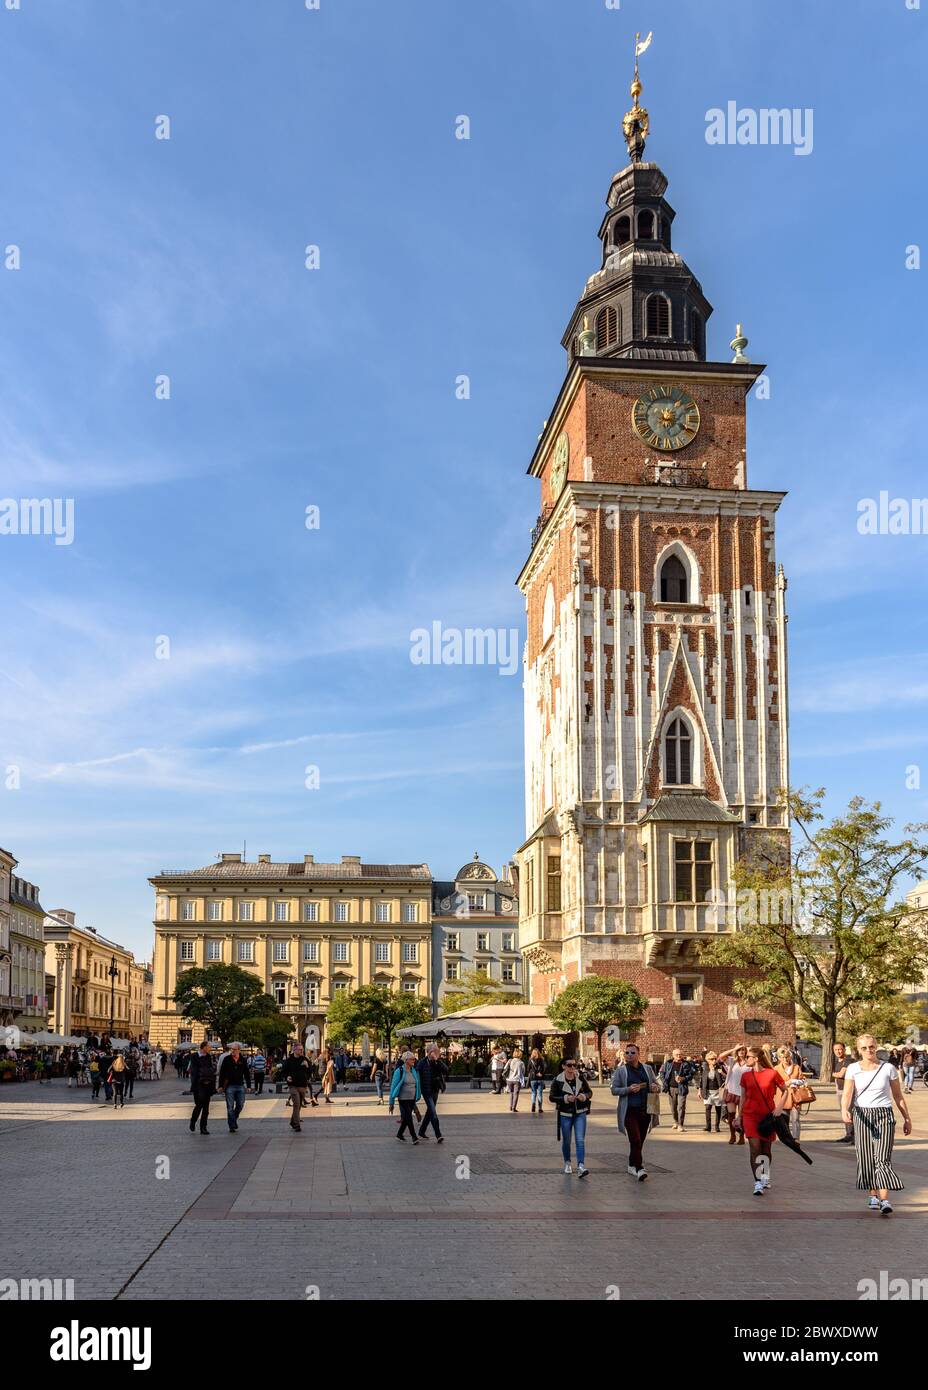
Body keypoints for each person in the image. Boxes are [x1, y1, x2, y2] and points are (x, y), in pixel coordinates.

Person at [842, 1033, 912, 1216]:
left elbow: (898, 1096)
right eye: (864, 1048)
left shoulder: (888, 1068)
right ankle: (873, 1195)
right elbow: (848, 1093)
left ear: (876, 1047)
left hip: (884, 1115)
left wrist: (907, 1118)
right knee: (866, 1157)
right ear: (858, 1050)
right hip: (862, 1114)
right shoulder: (852, 1068)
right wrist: (844, 1109)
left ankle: (884, 1199)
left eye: (871, 1046)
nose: (868, 1050)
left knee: (882, 1158)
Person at [738, 1045, 786, 1196]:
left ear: (756, 1059)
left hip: (768, 1116)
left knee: (766, 1150)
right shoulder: (745, 1076)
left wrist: (779, 1108)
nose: (745, 1059)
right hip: (750, 1115)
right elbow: (743, 1097)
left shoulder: (772, 1074)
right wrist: (739, 1116)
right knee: (755, 1149)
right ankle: (758, 1182)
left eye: (748, 1057)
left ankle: (765, 1176)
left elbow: (786, 1090)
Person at [611, 1042, 659, 1179]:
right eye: (627, 1053)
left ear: (639, 1054)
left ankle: (631, 1165)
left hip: (645, 1110)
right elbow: (614, 1090)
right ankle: (639, 1168)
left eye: (633, 1053)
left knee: (639, 1141)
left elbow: (656, 1084)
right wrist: (628, 1089)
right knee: (635, 1140)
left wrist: (656, 1088)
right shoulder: (621, 1071)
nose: (629, 1055)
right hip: (629, 1111)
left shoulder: (647, 1068)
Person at [550, 1059, 592, 1177]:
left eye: (575, 1065)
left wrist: (584, 1096)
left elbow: (590, 1092)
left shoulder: (580, 1077)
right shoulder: (557, 1080)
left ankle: (581, 1166)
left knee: (580, 1140)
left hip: (580, 1113)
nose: (572, 1067)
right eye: (569, 1065)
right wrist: (565, 1098)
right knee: (567, 1141)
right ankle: (567, 1162)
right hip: (565, 1114)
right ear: (563, 1066)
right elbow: (552, 1097)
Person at [659, 1048, 695, 1131]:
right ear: (673, 1055)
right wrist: (664, 1082)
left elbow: (691, 1075)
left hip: (682, 1088)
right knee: (673, 1107)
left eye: (680, 1054)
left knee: (681, 1107)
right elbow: (661, 1073)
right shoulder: (668, 1063)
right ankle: (675, 1121)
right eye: (677, 1055)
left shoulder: (686, 1064)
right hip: (671, 1088)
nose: (679, 1056)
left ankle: (680, 1125)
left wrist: (683, 1078)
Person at [389, 1052, 421, 1143]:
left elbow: (417, 1084)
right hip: (403, 1098)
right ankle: (414, 1137)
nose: (414, 1061)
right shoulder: (399, 1071)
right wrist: (391, 1103)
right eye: (412, 1059)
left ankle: (399, 1135)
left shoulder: (413, 1070)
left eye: (414, 1059)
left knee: (407, 1118)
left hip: (412, 1098)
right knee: (409, 1117)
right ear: (406, 1060)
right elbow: (393, 1087)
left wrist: (418, 1095)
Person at [416, 1044, 446, 1142]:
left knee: (429, 1112)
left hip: (435, 1089)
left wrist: (437, 1060)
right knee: (433, 1112)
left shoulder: (437, 1061)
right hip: (426, 1090)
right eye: (436, 1051)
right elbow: (417, 1076)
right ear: (429, 1052)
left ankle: (421, 1131)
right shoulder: (422, 1063)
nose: (438, 1053)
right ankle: (438, 1135)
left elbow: (446, 1070)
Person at [774, 1043, 804, 1140]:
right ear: (779, 1058)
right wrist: (786, 1083)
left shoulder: (796, 1067)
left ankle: (796, 1138)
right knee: (784, 1119)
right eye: (782, 1057)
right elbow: (774, 1083)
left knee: (795, 1119)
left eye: (787, 1057)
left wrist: (794, 1081)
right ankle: (786, 1137)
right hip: (782, 1097)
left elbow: (803, 1080)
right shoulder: (776, 1069)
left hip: (795, 1097)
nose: (785, 1059)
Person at [218, 1044, 251, 1132]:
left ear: (239, 1050)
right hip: (229, 1086)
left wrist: (248, 1086)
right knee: (230, 1107)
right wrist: (220, 1086)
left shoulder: (242, 1060)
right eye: (231, 1049)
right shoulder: (227, 1059)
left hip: (240, 1085)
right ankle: (231, 1125)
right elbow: (222, 1073)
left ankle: (233, 1119)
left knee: (240, 1104)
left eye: (234, 1049)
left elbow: (247, 1074)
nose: (232, 1051)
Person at [281, 1045, 314, 1131]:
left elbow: (310, 1071)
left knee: (298, 1105)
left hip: (303, 1085)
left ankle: (293, 1121)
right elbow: (283, 1072)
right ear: (294, 1050)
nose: (301, 1051)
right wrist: (287, 1077)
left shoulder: (304, 1059)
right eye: (300, 1050)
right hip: (293, 1085)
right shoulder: (289, 1060)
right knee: (296, 1104)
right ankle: (297, 1125)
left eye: (302, 1050)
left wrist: (307, 1066)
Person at [188, 1041, 217, 1134]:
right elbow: (194, 1071)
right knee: (199, 1105)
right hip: (198, 1084)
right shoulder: (194, 1056)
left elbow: (209, 1068)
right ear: (203, 1047)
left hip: (207, 1084)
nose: (210, 1048)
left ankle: (203, 1127)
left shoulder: (208, 1056)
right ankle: (193, 1121)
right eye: (208, 1046)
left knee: (206, 1107)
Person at [698, 1051, 727, 1133]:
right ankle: (708, 1126)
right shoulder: (705, 1068)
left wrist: (723, 1073)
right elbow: (702, 1080)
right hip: (707, 1091)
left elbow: (728, 1076)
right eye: (712, 1059)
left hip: (718, 1091)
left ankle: (717, 1127)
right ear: (707, 1060)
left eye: (715, 1059)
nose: (714, 1060)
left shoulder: (720, 1067)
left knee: (718, 1109)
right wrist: (699, 1090)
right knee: (708, 1108)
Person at [832, 1042, 854, 1143]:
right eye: (836, 1050)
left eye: (840, 1049)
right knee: (844, 1112)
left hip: (848, 1090)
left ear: (844, 1049)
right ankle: (848, 1134)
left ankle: (854, 1136)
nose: (838, 1051)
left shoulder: (848, 1061)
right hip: (840, 1090)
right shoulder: (838, 1062)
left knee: (850, 1112)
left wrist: (833, 1074)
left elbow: (841, 1074)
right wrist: (835, 1074)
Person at [527, 1049, 546, 1114]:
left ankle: (533, 1105)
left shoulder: (530, 1060)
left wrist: (534, 1073)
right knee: (540, 1093)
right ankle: (540, 1108)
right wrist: (541, 1073)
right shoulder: (542, 1060)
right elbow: (545, 1068)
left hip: (533, 1078)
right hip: (540, 1078)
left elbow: (528, 1069)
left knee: (533, 1093)